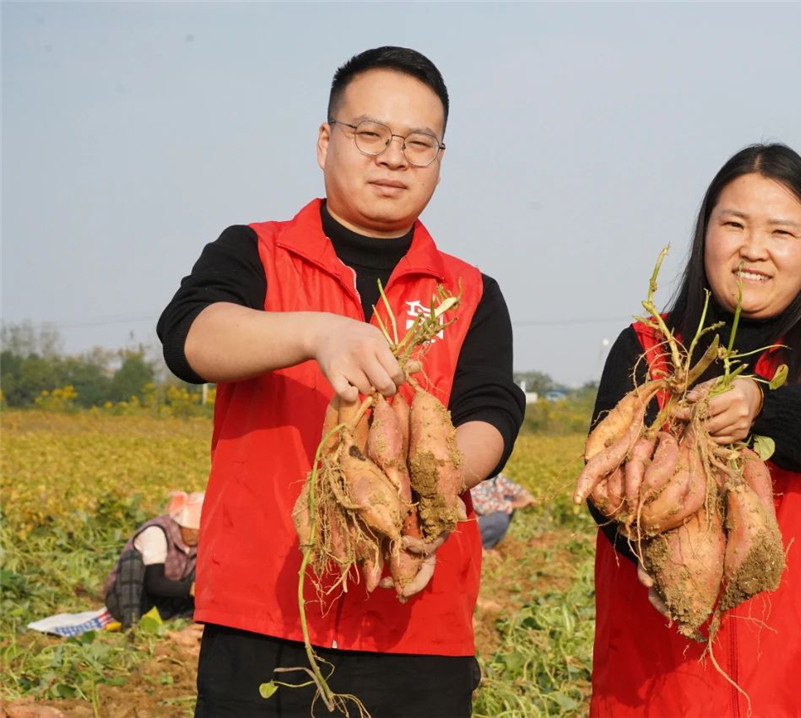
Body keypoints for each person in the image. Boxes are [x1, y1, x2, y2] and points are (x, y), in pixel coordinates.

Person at [156, 47, 525, 717]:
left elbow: (493, 411)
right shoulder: (255, 252)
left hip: (417, 628)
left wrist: (427, 480)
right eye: (371, 134)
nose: (393, 157)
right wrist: (317, 334)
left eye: (419, 143)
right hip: (265, 621)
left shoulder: (469, 292)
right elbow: (188, 338)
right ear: (326, 141)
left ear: (440, 158)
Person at [587, 143, 801, 717]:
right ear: (706, 235)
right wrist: (651, 559)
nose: (754, 249)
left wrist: (762, 403)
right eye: (734, 224)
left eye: (781, 232)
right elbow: (606, 485)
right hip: (662, 667)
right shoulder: (647, 349)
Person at [103, 491, 202, 631]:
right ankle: (131, 627)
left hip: (162, 603)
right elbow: (154, 583)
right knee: (132, 561)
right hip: (129, 599)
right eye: (197, 531)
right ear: (187, 528)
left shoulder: (199, 543)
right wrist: (190, 588)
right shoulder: (156, 532)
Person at [469, 473, 537, 549]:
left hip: (483, 520)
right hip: (471, 524)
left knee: (510, 499)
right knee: (500, 518)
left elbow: (511, 486)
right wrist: (515, 504)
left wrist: (525, 496)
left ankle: (492, 544)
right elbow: (483, 507)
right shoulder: (471, 477)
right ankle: (479, 548)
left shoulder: (493, 475)